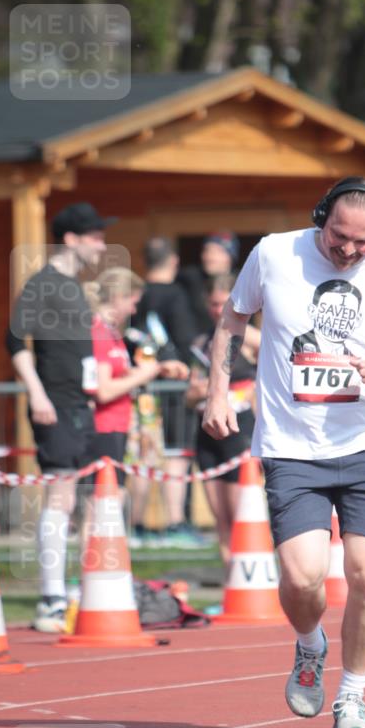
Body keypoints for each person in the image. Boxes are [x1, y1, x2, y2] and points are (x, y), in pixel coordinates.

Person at [202, 176, 365, 728]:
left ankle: (353, 698)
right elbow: (233, 318)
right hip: (293, 446)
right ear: (321, 219)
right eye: (339, 237)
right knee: (303, 576)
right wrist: (218, 390)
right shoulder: (273, 253)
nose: (349, 251)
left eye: (364, 241)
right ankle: (310, 646)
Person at [6, 201, 114, 632]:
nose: (102, 245)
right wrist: (37, 395)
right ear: (71, 239)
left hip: (79, 406)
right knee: (60, 497)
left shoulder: (73, 287)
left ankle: (65, 592)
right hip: (55, 404)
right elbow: (13, 341)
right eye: (95, 237)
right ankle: (50, 599)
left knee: (82, 501)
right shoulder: (42, 283)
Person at [86, 267, 188, 495]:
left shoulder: (112, 333)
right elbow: (104, 390)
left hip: (118, 426)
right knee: (101, 504)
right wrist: (147, 373)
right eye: (132, 302)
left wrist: (159, 368)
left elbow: (120, 375)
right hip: (104, 428)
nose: (134, 310)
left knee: (111, 501)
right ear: (116, 298)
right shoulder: (98, 332)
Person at [131, 237, 201, 548]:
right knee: (177, 452)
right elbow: (187, 340)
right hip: (173, 385)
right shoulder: (176, 295)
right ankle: (174, 522)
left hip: (142, 384)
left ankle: (138, 526)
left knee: (144, 453)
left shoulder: (136, 294)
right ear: (172, 262)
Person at [187, 274, 261, 569]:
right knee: (220, 517)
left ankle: (249, 576)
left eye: (223, 303)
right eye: (213, 304)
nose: (218, 310)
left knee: (239, 512)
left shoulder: (249, 336)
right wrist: (197, 392)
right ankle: (231, 580)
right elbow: (189, 397)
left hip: (239, 430)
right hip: (206, 431)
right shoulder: (201, 342)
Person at [177, 232, 240, 331]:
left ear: (230, 256)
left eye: (217, 252)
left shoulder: (241, 282)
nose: (210, 257)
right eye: (207, 251)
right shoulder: (189, 279)